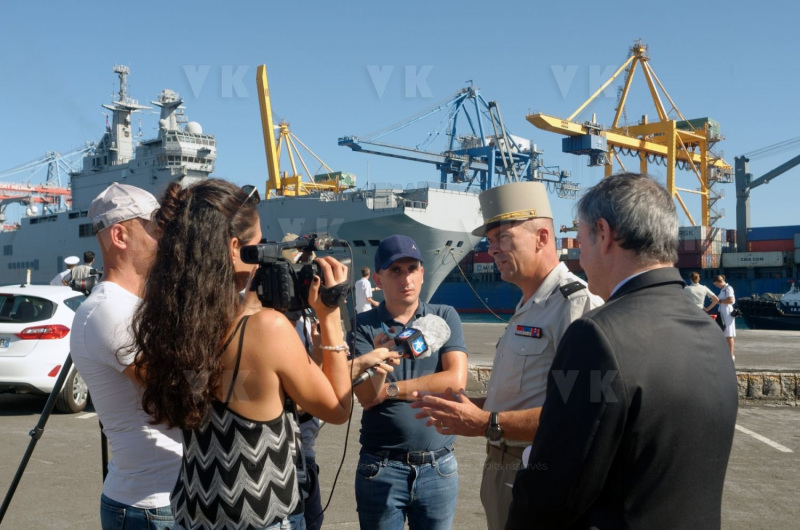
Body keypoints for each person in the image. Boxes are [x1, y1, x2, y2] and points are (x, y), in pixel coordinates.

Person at [130, 179, 396, 530]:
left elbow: (238, 389)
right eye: (259, 245)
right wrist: (330, 315)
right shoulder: (266, 330)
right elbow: (336, 408)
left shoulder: (173, 328)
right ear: (235, 247)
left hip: (195, 515)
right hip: (263, 518)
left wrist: (251, 304)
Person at [507, 173, 739, 529]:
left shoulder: (595, 337)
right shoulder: (709, 332)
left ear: (604, 234)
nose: (578, 257)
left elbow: (554, 483)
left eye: (581, 240)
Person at [411, 181, 602, 530]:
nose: (491, 249)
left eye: (502, 237)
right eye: (490, 239)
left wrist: (487, 423)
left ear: (542, 237)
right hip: (503, 466)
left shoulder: (575, 306)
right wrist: (470, 405)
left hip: (541, 472)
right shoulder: (528, 305)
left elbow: (584, 416)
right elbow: (530, 393)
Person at [69, 183, 180, 530]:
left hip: (166, 501)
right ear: (119, 235)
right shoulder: (108, 311)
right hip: (150, 508)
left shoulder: (134, 307)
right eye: (154, 229)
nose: (163, 240)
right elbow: (180, 391)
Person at [352, 234, 469, 530]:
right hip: (380, 467)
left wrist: (390, 389)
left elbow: (454, 381)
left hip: (438, 466)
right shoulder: (363, 327)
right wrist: (379, 364)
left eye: (412, 268)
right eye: (396, 271)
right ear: (378, 279)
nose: (406, 278)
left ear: (422, 273)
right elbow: (367, 397)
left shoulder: (444, 316)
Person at [714, 274, 737, 359]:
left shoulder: (728, 288)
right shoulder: (723, 289)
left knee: (729, 334)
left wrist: (719, 301)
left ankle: (731, 355)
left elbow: (731, 300)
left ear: (721, 282)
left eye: (717, 284)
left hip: (727, 313)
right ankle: (726, 354)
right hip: (723, 312)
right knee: (723, 332)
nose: (716, 286)